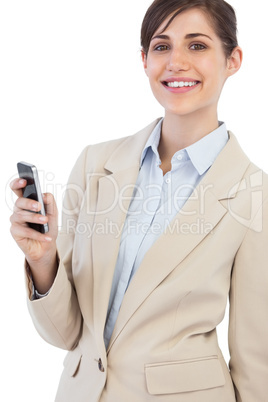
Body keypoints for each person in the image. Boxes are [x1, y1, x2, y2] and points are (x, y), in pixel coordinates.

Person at [10, 0, 268, 401]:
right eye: (162, 47)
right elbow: (67, 334)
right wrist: (43, 261)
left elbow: (257, 359)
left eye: (197, 45)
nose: (176, 62)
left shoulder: (254, 192)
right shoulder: (96, 165)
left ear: (232, 59)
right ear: (145, 60)